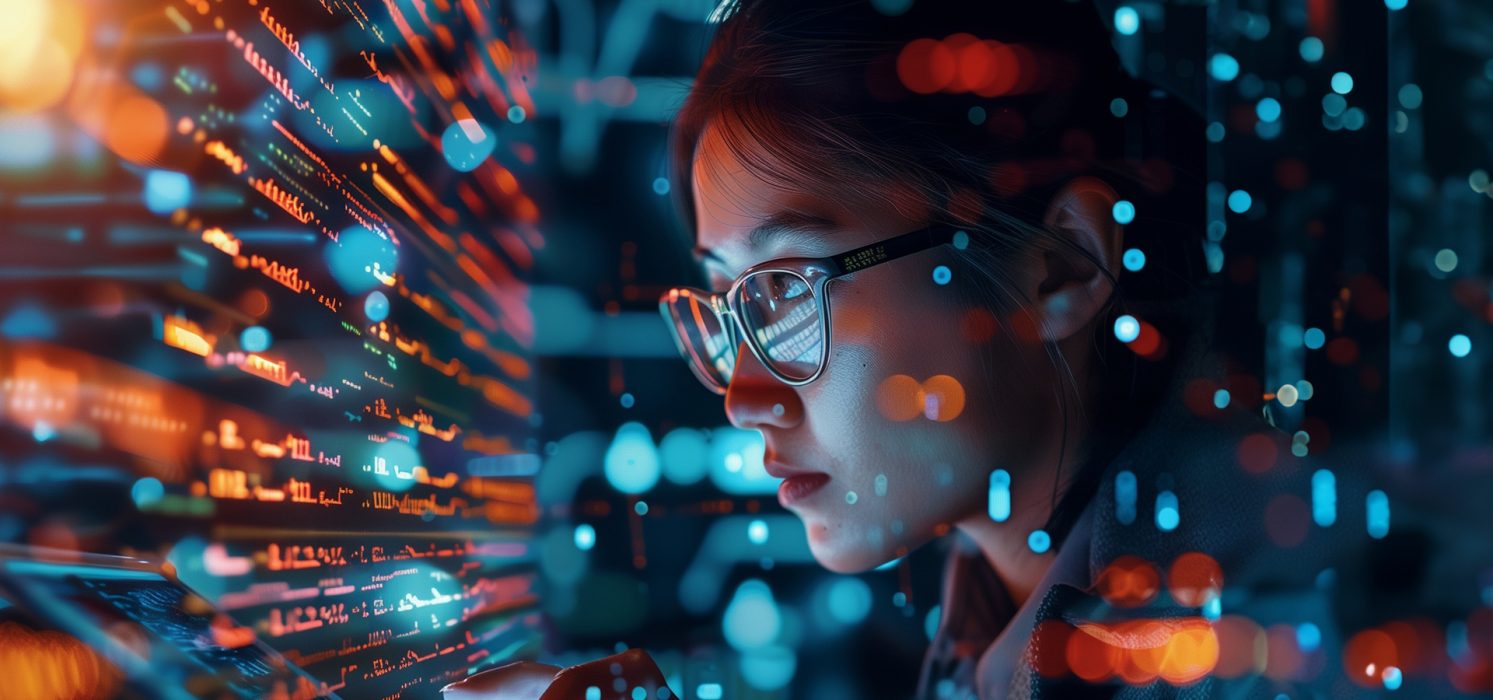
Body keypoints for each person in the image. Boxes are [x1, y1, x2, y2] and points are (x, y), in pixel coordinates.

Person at [447, 1, 1376, 697]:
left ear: (1060, 266)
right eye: (729, 308)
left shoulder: (1262, 642)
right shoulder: (990, 623)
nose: (742, 395)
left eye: (780, 291)